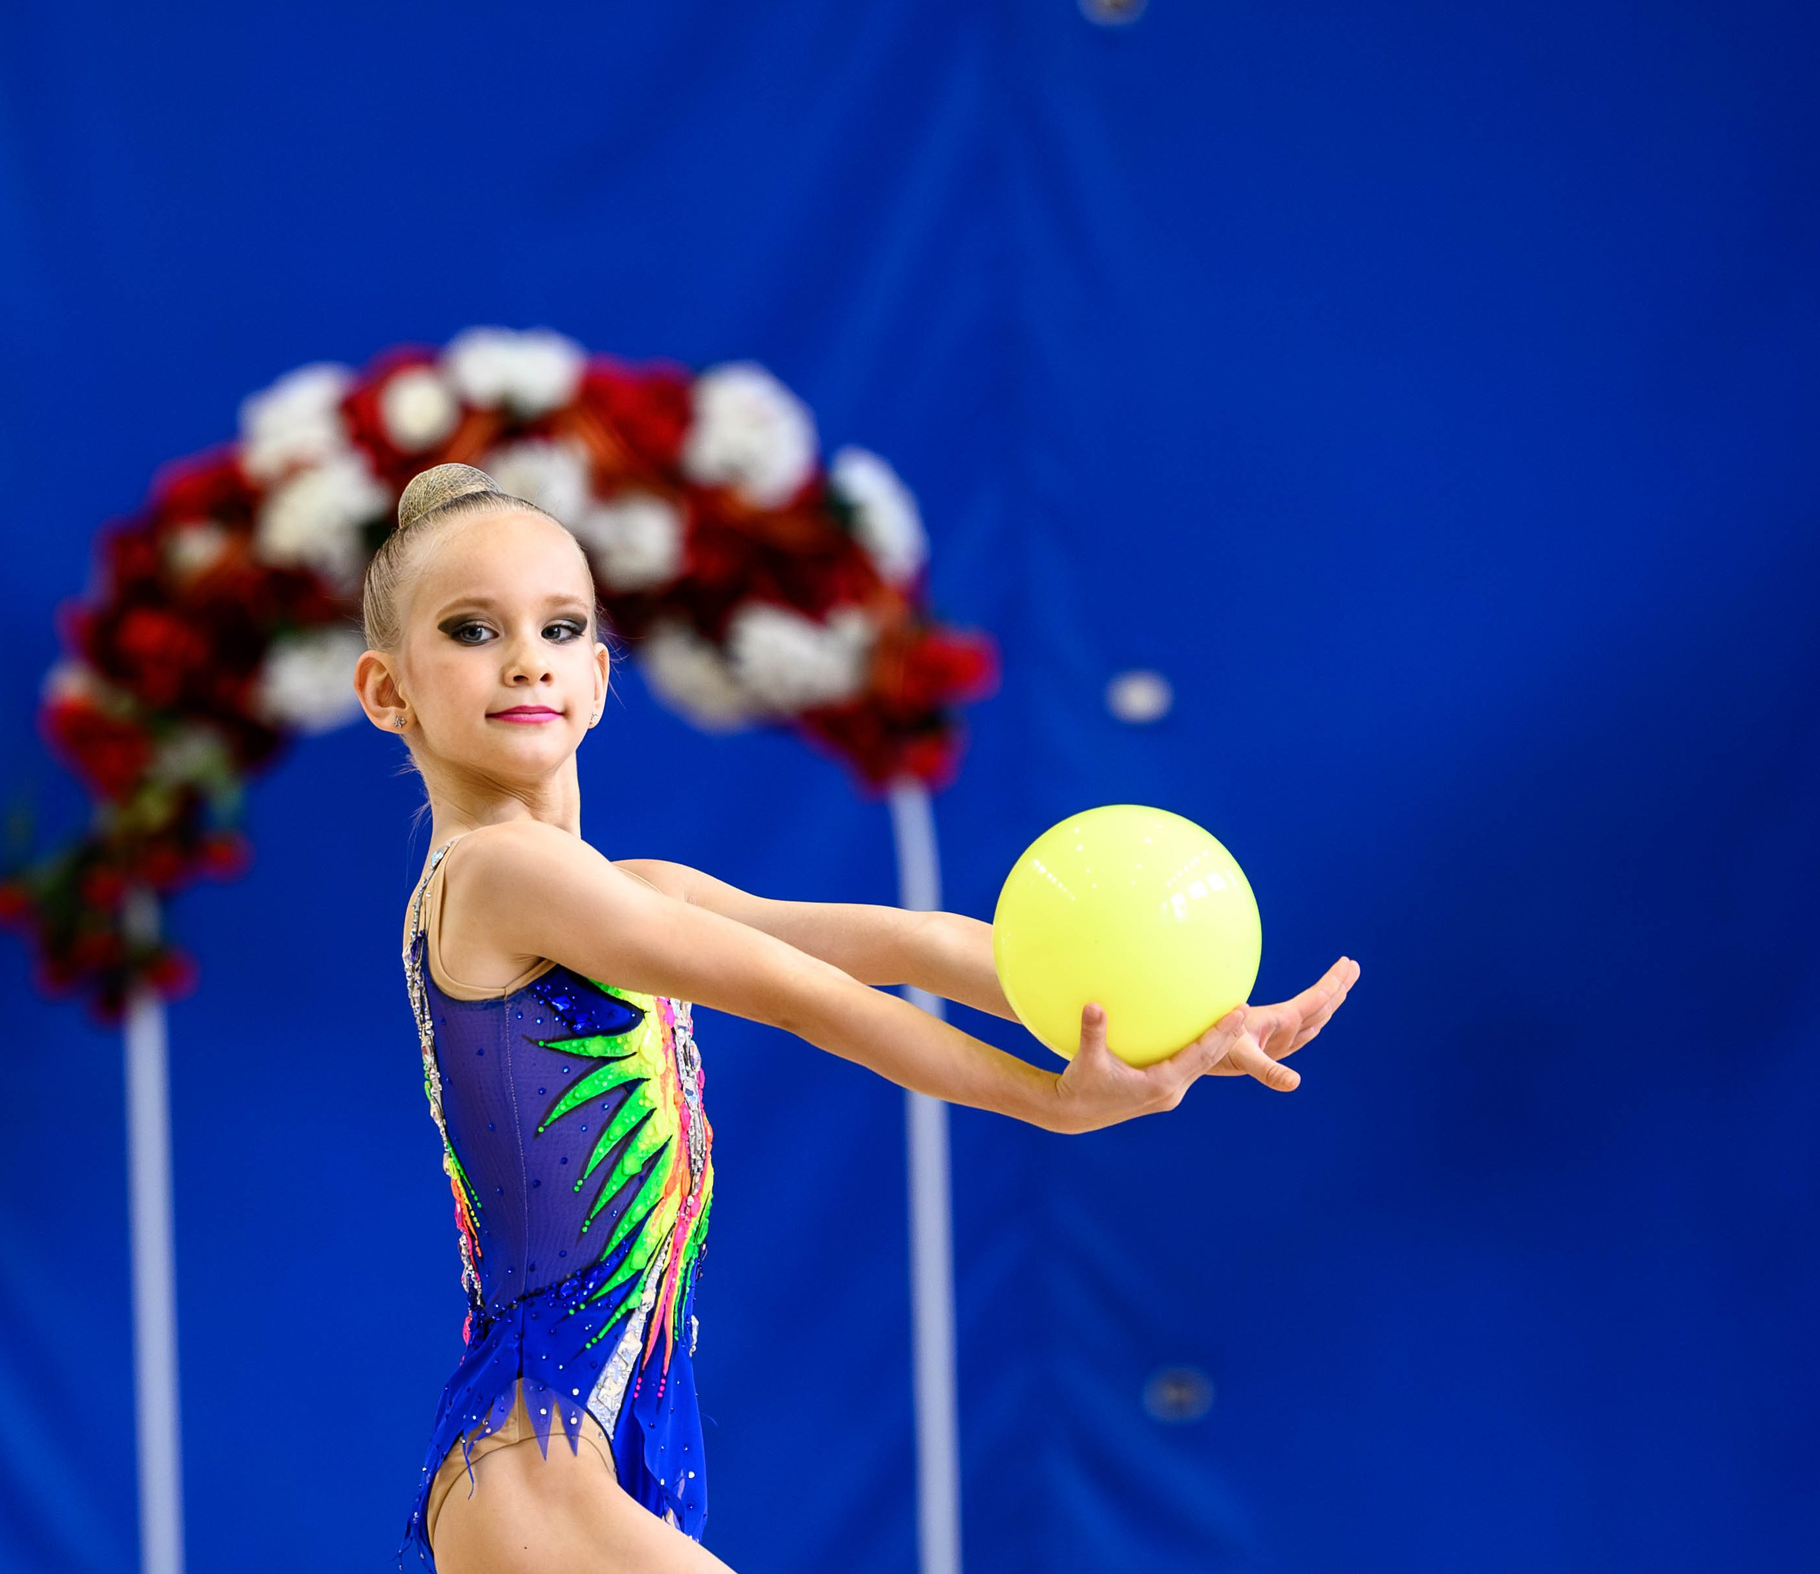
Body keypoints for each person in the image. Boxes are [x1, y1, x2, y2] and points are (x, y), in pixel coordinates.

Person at [352, 463, 1358, 1574]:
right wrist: (1046, 1100)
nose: (525, 655)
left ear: (596, 676)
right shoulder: (500, 876)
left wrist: (1183, 1017)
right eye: (470, 628)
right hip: (535, 1463)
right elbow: (803, 994)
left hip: (579, 1459)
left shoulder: (629, 890)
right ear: (388, 691)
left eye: (559, 625)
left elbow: (909, 942)